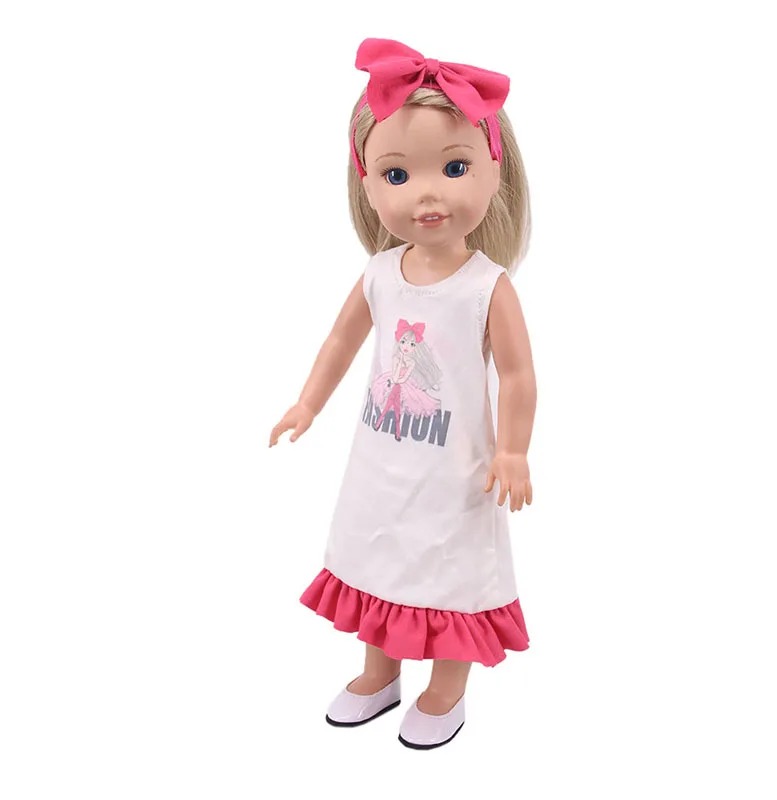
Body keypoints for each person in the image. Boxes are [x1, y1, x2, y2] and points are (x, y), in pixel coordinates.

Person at [269, 37, 537, 750]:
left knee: (448, 565)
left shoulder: (486, 287)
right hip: (380, 463)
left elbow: (518, 374)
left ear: (494, 170)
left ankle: (446, 688)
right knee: (376, 552)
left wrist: (513, 450)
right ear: (366, 184)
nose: (427, 193)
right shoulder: (381, 274)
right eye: (397, 173)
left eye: (454, 167)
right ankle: (378, 671)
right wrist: (308, 403)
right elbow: (340, 341)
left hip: (455, 471)